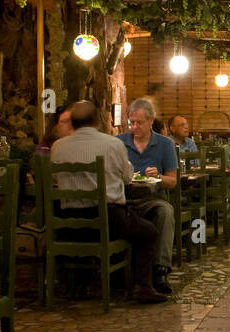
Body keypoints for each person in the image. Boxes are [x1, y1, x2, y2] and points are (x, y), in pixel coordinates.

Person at [50, 100, 168, 305]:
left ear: (73, 123)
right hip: (109, 220)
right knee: (148, 231)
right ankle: (142, 285)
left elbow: (55, 181)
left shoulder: (58, 147)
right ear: (98, 121)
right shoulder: (113, 144)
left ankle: (75, 285)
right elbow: (126, 178)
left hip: (68, 223)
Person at [116, 98, 178, 297]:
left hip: (152, 199)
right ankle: (116, 272)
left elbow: (172, 181)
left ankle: (160, 271)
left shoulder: (165, 144)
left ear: (151, 120)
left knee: (165, 212)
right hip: (123, 199)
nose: (134, 127)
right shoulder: (119, 143)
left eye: (139, 123)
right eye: (131, 122)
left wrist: (158, 177)